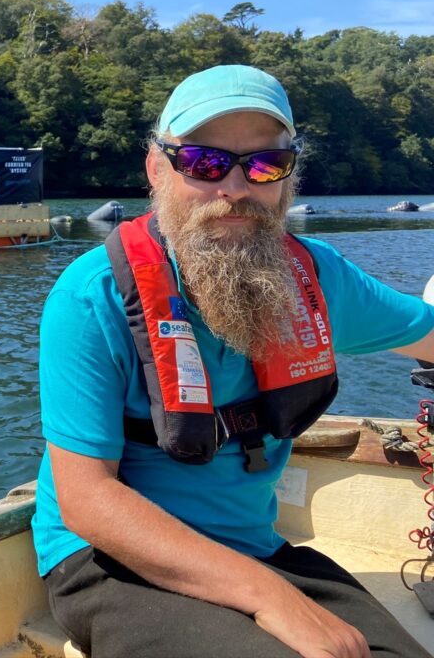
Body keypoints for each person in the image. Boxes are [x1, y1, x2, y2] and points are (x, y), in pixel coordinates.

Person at [33, 64, 434, 658]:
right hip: (111, 563)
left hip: (258, 549)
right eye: (203, 162)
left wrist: (269, 585)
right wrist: (269, 598)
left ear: (287, 178)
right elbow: (88, 500)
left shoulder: (315, 277)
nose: (236, 188)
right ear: (156, 169)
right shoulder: (90, 297)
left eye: (266, 165)